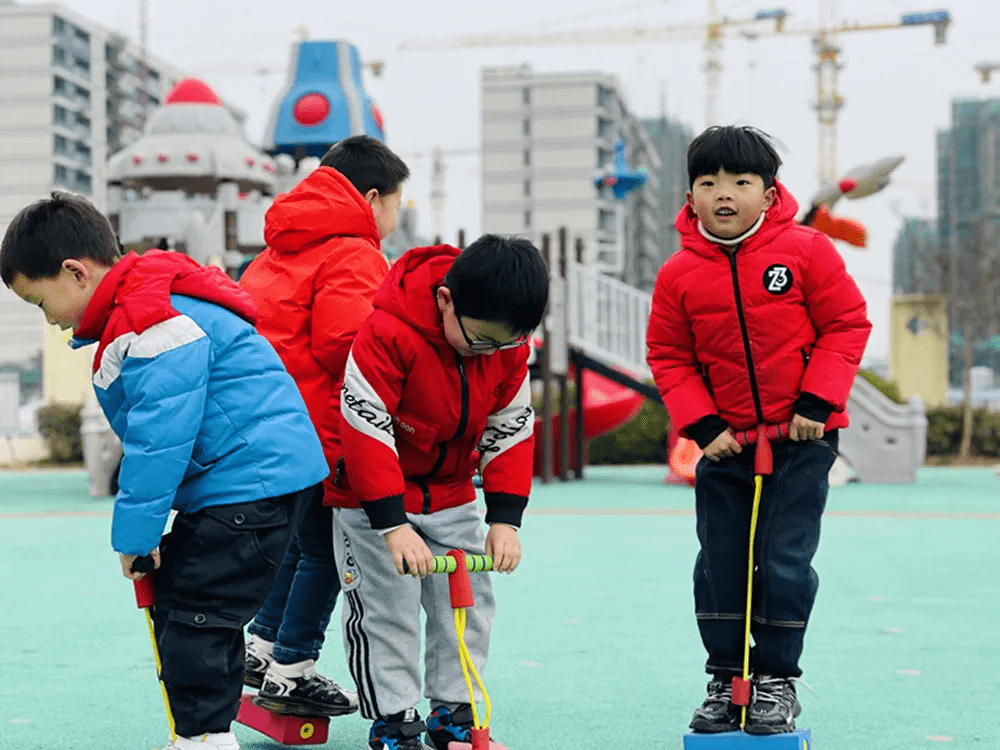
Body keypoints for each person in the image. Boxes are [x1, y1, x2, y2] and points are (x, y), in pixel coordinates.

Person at [0, 192, 328, 750]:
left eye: (40, 302)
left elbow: (160, 439)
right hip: (257, 478)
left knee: (193, 611)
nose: (49, 318)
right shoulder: (150, 304)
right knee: (196, 601)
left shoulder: (151, 320)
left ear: (75, 273)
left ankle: (203, 736)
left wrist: (135, 536)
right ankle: (211, 723)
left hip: (247, 483)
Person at [646, 126, 872, 736]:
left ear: (770, 194)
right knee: (720, 560)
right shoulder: (678, 274)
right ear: (689, 196)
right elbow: (669, 356)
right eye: (708, 181)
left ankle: (774, 680)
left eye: (741, 181)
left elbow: (847, 324)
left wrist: (818, 401)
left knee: (781, 559)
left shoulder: (806, 252)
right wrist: (702, 425)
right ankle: (725, 679)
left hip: (800, 440)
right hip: (726, 445)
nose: (725, 193)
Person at [331, 236, 548, 750]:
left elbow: (511, 426)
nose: (491, 353)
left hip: (451, 494)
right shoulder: (386, 333)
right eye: (481, 341)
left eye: (505, 344)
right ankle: (394, 720)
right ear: (446, 300)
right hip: (372, 504)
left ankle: (454, 710)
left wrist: (505, 519)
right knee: (387, 608)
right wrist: (390, 523)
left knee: (469, 604)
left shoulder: (507, 347)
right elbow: (365, 427)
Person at [239, 135, 409, 716]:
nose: (394, 216)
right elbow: (349, 344)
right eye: (395, 203)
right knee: (329, 554)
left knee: (296, 547)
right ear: (370, 197)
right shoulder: (353, 251)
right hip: (321, 428)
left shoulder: (277, 248)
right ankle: (293, 668)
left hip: (267, 425)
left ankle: (261, 649)